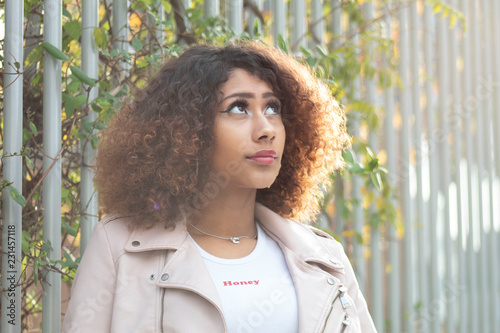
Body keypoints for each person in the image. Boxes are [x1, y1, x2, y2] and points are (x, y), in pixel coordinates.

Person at [63, 41, 376, 333]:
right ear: (186, 130)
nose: (266, 128)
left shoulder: (324, 259)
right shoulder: (120, 248)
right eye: (239, 107)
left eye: (273, 108)